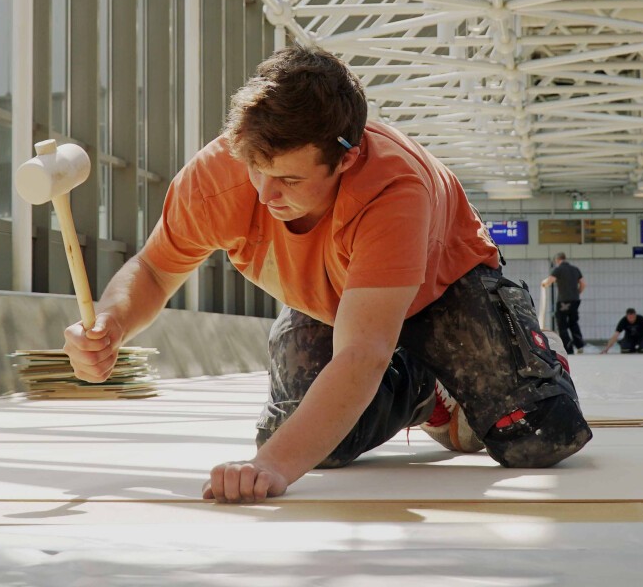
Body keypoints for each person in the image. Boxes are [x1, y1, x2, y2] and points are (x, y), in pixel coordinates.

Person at [62, 46, 591, 503]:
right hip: (336, 302)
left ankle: (498, 365)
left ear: (346, 159)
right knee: (320, 445)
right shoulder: (217, 176)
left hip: (444, 287)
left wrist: (270, 467)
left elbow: (362, 352)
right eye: (257, 171)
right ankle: (426, 392)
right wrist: (112, 322)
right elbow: (154, 269)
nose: (266, 196)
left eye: (289, 179)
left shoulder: (394, 189)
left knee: (538, 435)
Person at [540, 253, 586, 354]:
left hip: (563, 301)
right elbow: (583, 283)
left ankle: (568, 348)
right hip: (575, 300)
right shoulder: (575, 269)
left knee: (562, 324)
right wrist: (577, 293)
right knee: (574, 323)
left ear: (557, 260)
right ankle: (580, 346)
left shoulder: (559, 269)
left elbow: (550, 280)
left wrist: (544, 283)